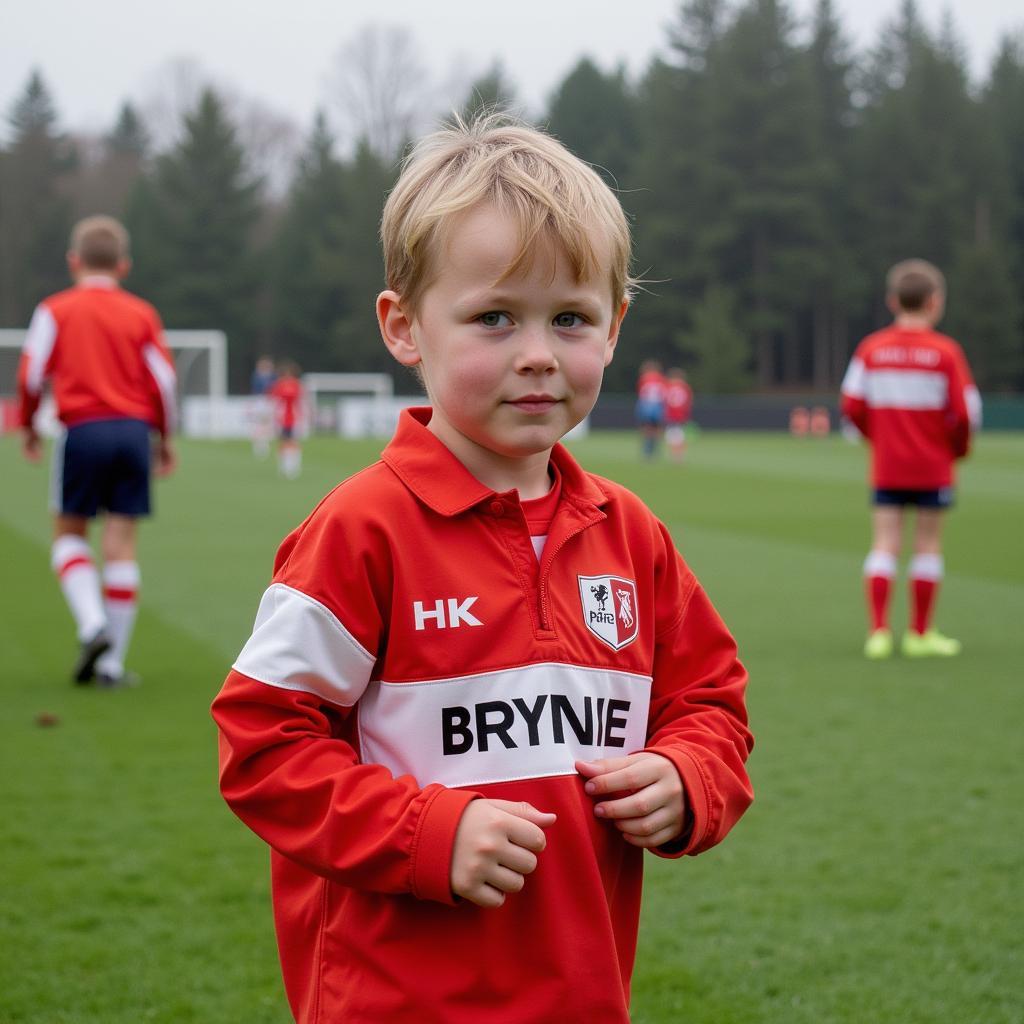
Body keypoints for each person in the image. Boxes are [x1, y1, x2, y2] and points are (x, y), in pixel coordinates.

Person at [211, 116, 753, 1024]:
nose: (538, 351)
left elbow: (711, 707)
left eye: (570, 318)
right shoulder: (361, 530)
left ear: (615, 330)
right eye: (495, 316)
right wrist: (426, 833)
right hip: (391, 998)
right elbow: (263, 745)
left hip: (581, 994)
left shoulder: (632, 535)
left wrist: (687, 778)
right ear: (404, 328)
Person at [17, 215, 177, 686]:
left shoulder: (55, 309)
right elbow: (164, 382)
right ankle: (111, 665)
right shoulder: (142, 313)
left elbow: (30, 376)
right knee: (121, 544)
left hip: (82, 430)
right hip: (132, 434)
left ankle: (92, 626)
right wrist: (164, 439)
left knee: (68, 535)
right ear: (123, 266)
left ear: (73, 262)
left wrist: (27, 425)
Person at [840, 258, 981, 660]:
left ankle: (879, 632)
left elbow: (851, 404)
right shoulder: (946, 352)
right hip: (933, 466)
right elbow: (965, 412)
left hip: (888, 464)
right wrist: (958, 449)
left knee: (884, 543)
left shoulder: (872, 349)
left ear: (891, 301)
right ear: (935, 302)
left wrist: (876, 437)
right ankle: (920, 634)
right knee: (927, 545)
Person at [269, 360, 304, 479]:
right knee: (283, 442)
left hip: (294, 418)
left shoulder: (296, 384)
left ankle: (294, 466)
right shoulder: (279, 385)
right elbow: (274, 401)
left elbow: (300, 401)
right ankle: (283, 466)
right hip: (282, 418)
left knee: (293, 441)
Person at [635, 357, 666, 459]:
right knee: (657, 429)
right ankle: (655, 450)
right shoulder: (661, 378)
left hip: (646, 405)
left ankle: (647, 451)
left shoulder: (644, 378)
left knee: (646, 429)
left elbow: (641, 393)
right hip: (658, 406)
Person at [249, 355, 277, 458]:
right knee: (259, 422)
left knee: (267, 422)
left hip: (269, 400)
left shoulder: (273, 376)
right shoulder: (256, 376)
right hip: (260, 401)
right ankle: (258, 442)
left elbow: (274, 388)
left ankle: (266, 441)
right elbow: (256, 389)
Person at [664, 366, 693, 461]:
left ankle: (677, 457)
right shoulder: (685, 387)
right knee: (678, 436)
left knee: (673, 437)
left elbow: (665, 400)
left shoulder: (668, 386)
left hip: (671, 415)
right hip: (681, 415)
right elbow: (688, 402)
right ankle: (678, 456)